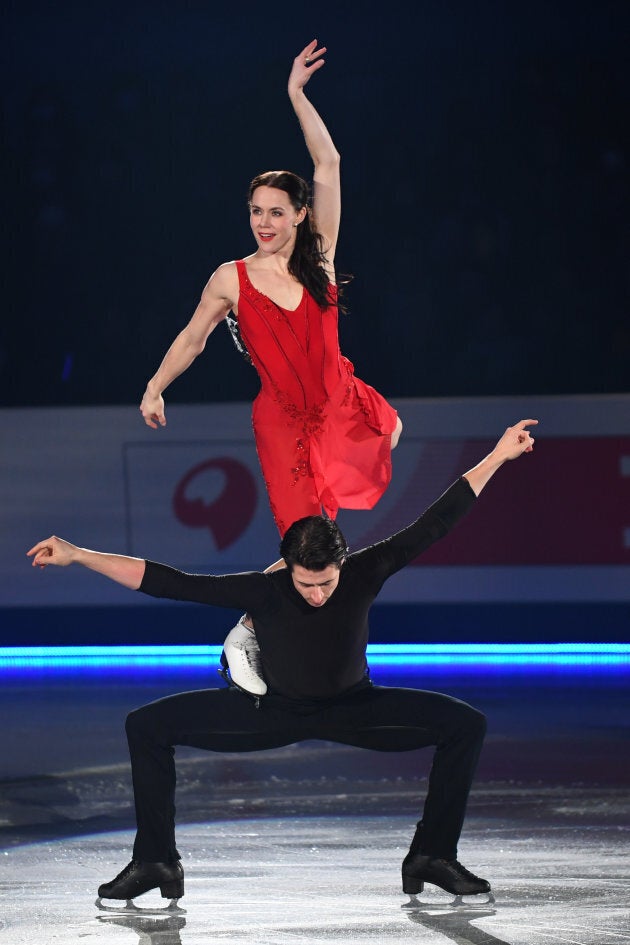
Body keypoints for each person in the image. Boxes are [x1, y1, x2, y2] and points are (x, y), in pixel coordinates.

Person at [27, 419, 537, 904]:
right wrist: (80, 555)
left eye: (326, 582)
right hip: (270, 711)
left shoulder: (366, 571)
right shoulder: (265, 590)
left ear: (342, 564)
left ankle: (431, 855)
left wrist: (497, 455)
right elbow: (168, 582)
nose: (316, 594)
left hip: (355, 706)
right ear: (286, 567)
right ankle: (155, 861)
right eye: (304, 583)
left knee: (465, 725)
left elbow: (435, 523)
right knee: (146, 726)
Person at [139, 40, 402, 695]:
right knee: (309, 540)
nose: (262, 221)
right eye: (255, 211)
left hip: (339, 402)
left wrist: (295, 95)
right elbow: (193, 337)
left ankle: (283, 634)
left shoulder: (320, 256)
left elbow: (329, 160)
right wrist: (156, 384)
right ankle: (248, 633)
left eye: (275, 211)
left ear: (300, 214)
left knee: (386, 438)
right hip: (285, 422)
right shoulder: (230, 278)